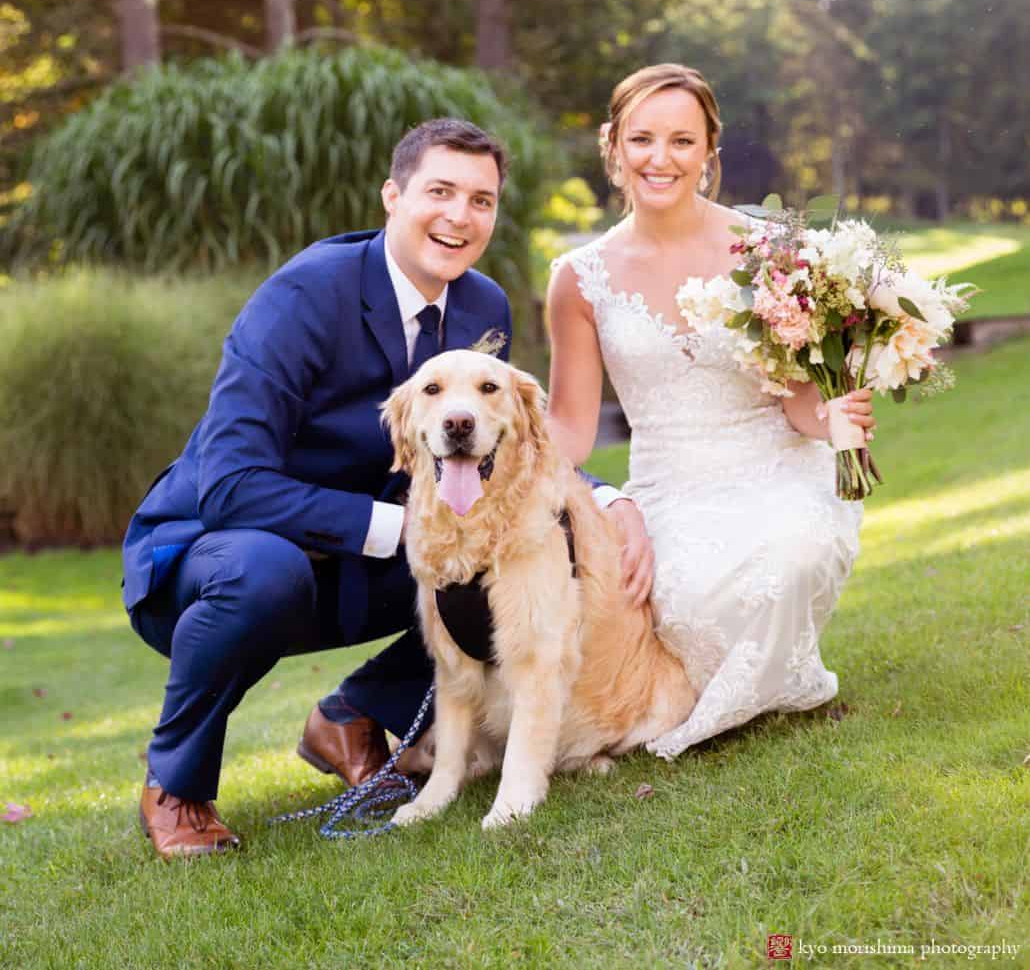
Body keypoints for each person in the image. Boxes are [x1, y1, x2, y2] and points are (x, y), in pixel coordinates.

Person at [124, 117, 645, 857]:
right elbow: (230, 484)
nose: (460, 216)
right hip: (213, 556)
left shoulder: (481, 305)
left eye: (481, 199)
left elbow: (509, 439)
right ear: (392, 196)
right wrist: (399, 528)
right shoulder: (302, 297)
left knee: (502, 552)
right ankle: (176, 783)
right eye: (440, 191)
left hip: (360, 559)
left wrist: (611, 499)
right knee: (267, 572)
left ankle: (353, 714)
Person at [546, 65, 875, 759]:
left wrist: (839, 416)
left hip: (775, 464)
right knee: (688, 596)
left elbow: (799, 405)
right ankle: (727, 688)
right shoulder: (578, 277)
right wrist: (547, 475)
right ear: (612, 146)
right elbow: (571, 428)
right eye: (641, 138)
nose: (659, 159)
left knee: (791, 550)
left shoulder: (768, 251)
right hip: (670, 484)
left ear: (708, 151)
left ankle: (766, 686)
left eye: (680, 141)